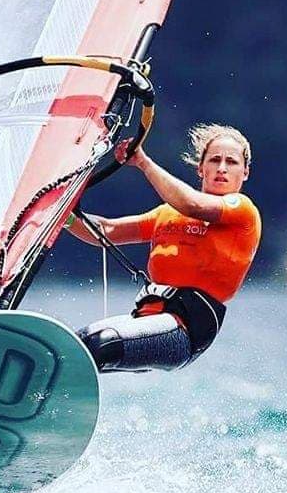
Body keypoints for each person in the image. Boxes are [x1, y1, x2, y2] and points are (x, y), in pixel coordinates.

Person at [63, 123, 261, 372]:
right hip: (145, 321)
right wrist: (63, 214)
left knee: (100, 343)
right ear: (201, 168)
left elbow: (193, 204)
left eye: (231, 162)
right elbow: (106, 230)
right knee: (72, 344)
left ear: (245, 172)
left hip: (184, 331)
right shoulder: (167, 214)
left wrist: (143, 163)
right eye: (214, 160)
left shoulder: (242, 210)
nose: (222, 168)